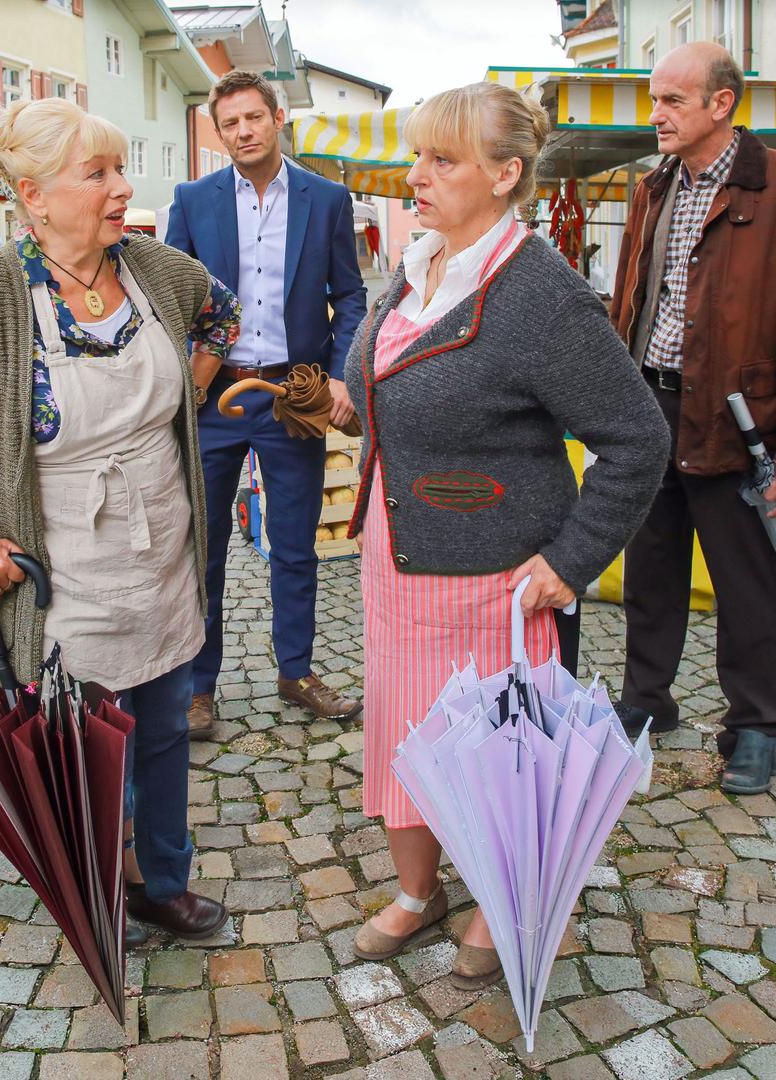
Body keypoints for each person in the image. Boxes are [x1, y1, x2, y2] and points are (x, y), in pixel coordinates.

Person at [0, 97, 240, 942]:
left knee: (164, 729)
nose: (121, 188)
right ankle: (97, 891)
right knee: (84, 745)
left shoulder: (154, 269)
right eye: (96, 173)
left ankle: (160, 883)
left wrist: (189, 391)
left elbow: (222, 316)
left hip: (162, 550)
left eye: (119, 169)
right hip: (63, 577)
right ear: (32, 195)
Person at [345, 82, 669, 987]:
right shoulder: (419, 263)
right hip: (396, 561)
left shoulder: (542, 294)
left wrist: (571, 561)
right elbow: (395, 391)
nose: (416, 175)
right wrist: (340, 403)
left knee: (497, 752)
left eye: (441, 160)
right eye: (417, 155)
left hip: (495, 583)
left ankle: (504, 895)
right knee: (407, 732)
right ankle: (419, 891)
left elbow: (638, 439)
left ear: (505, 174)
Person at [164, 71, 369, 738]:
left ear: (278, 118)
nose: (244, 131)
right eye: (230, 123)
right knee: (203, 547)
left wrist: (340, 377)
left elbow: (351, 297)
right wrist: (189, 376)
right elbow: (169, 297)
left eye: (254, 117)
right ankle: (197, 688)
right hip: (214, 398)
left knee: (296, 544)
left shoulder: (326, 198)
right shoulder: (192, 200)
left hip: (293, 395)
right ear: (219, 131)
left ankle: (296, 672)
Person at [607, 42, 776, 793]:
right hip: (652, 401)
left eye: (673, 100)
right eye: (654, 98)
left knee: (747, 577)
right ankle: (647, 699)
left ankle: (757, 724)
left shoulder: (769, 185)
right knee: (651, 563)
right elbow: (633, 297)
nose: (657, 114)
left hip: (739, 414)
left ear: (721, 103)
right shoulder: (654, 187)